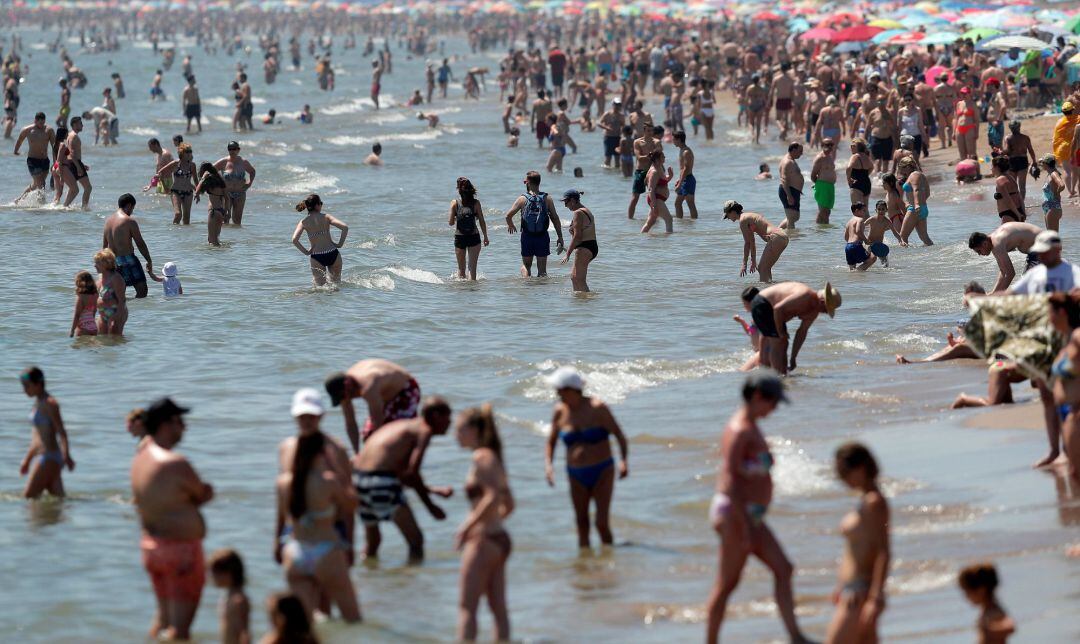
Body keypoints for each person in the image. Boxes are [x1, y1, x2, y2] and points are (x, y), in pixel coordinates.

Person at [706, 372, 811, 644]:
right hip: (734, 513)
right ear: (756, 397)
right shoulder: (740, 429)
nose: (775, 409)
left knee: (784, 569)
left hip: (747, 515)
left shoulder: (751, 426)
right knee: (727, 584)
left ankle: (796, 637)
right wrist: (743, 527)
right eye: (773, 403)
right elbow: (729, 481)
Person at [131, 398, 213, 641]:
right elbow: (201, 493)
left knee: (163, 619)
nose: (184, 427)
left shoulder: (140, 458)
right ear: (166, 424)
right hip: (180, 552)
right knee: (180, 631)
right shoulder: (175, 462)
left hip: (151, 546)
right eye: (180, 422)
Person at [276, 407, 361, 622]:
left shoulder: (284, 482)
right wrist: (338, 470)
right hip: (326, 550)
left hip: (295, 552)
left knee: (305, 626)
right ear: (321, 454)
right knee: (353, 620)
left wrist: (276, 544)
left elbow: (280, 518)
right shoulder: (328, 481)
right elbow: (352, 505)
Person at [351, 397, 453, 560]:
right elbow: (412, 472)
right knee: (416, 541)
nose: (450, 423)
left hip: (358, 482)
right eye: (448, 417)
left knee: (373, 543)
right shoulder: (423, 430)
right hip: (380, 482)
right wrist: (431, 507)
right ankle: (411, 581)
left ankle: (368, 581)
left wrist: (432, 490)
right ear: (435, 416)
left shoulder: (403, 426)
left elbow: (400, 473)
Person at [544, 367, 629, 548]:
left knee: (601, 523)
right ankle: (585, 571)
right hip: (575, 474)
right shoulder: (559, 411)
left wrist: (624, 462)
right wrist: (549, 466)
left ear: (571, 390)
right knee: (582, 524)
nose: (557, 393)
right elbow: (551, 442)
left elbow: (619, 435)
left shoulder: (598, 408)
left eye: (560, 389)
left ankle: (609, 560)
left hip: (602, 471)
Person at [455, 404, 514, 643]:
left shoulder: (481, 457)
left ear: (473, 430)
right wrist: (493, 522)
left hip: (484, 541)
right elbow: (509, 503)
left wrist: (467, 527)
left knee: (467, 607)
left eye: (459, 429)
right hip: (499, 539)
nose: (455, 435)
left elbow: (491, 497)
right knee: (498, 609)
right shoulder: (494, 458)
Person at [825, 443, 890, 644]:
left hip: (860, 593)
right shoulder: (864, 502)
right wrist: (840, 587)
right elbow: (854, 551)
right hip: (851, 591)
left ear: (861, 468)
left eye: (844, 471)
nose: (841, 478)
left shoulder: (874, 502)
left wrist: (875, 597)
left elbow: (883, 551)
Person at [324, 359, 422, 452]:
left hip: (405, 390)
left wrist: (375, 450)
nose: (345, 399)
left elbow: (378, 421)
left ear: (347, 385)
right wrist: (357, 453)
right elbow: (350, 422)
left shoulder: (368, 387)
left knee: (397, 435)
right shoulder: (343, 391)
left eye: (343, 396)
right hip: (383, 395)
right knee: (368, 437)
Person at [749, 281, 842, 375]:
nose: (825, 313)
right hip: (763, 303)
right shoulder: (804, 295)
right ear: (822, 302)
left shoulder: (814, 311)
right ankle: (779, 375)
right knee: (779, 341)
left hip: (772, 310)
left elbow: (801, 333)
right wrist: (781, 332)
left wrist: (793, 358)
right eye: (826, 310)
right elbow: (777, 308)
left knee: (781, 340)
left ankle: (768, 371)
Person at [19, 367, 75, 498]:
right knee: (58, 503)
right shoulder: (37, 403)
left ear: (38, 384)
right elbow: (37, 438)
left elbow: (62, 432)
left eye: (27, 386)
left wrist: (66, 455)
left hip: (48, 457)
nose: (24, 390)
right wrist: (27, 460)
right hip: (47, 457)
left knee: (28, 498)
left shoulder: (50, 403)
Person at [503, 170, 565, 277]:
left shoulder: (522, 199)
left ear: (528, 183)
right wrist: (560, 236)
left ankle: (527, 285)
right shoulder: (547, 198)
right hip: (542, 237)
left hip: (527, 236)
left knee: (526, 266)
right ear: (539, 182)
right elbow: (555, 218)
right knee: (542, 272)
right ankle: (541, 292)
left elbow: (508, 215)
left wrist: (511, 225)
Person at [1048, 292, 1080, 479]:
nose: (1047, 317)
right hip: (1066, 415)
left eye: (1049, 312)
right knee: (1074, 474)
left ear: (1061, 313)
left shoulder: (1077, 337)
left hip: (1076, 413)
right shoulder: (1063, 344)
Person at [967, 222, 1043, 293]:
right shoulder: (994, 239)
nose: (979, 254)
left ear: (985, 244)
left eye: (979, 251)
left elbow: (1010, 273)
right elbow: (1003, 272)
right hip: (1042, 245)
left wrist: (997, 296)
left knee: (1026, 285)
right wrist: (994, 293)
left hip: (1044, 247)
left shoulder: (997, 244)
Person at [102, 193, 152, 298]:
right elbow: (140, 243)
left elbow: (105, 247)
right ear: (129, 205)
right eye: (132, 208)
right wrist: (149, 260)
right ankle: (136, 313)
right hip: (128, 259)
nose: (132, 212)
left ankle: (122, 311)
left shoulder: (108, 222)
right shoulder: (129, 221)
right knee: (142, 290)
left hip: (113, 261)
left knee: (119, 294)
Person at [724, 200, 787, 283]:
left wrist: (744, 264)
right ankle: (771, 289)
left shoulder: (743, 220)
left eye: (727, 215)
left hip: (776, 237)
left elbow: (748, 243)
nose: (727, 218)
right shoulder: (749, 216)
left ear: (732, 211)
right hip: (782, 236)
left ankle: (765, 293)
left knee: (762, 268)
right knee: (765, 269)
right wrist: (753, 261)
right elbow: (753, 241)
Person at [292, 194, 348, 286]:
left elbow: (294, 239)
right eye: (321, 203)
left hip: (317, 257)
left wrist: (306, 252)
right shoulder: (327, 217)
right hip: (333, 253)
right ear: (317, 205)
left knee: (320, 289)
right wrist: (340, 244)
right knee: (336, 286)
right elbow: (345, 227)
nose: (321, 205)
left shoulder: (304, 222)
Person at [958, 564, 1016, 643]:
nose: (966, 596)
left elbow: (1010, 626)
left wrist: (988, 629)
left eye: (967, 592)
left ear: (981, 590)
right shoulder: (986, 609)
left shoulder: (993, 610)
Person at [448, 177, 489, 281]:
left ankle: (462, 292)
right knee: (472, 269)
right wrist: (485, 237)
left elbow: (451, 223)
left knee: (461, 269)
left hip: (460, 237)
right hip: (474, 237)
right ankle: (473, 291)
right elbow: (482, 221)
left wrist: (457, 217)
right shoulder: (476, 203)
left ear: (459, 190)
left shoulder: (454, 203)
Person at [208, 549, 251, 644]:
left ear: (227, 574)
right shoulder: (227, 596)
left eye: (214, 573)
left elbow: (244, 632)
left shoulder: (238, 600)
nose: (211, 577)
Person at [12, 111, 55, 202]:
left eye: (43, 123)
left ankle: (19, 199)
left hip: (45, 161)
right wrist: (16, 151)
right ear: (35, 120)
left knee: (36, 184)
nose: (41, 125)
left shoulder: (49, 130)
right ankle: (42, 203)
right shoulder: (27, 130)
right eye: (40, 123)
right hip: (33, 161)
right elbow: (20, 140)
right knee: (41, 183)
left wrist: (55, 162)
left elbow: (54, 147)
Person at [559, 189, 597, 292]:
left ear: (572, 200)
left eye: (566, 202)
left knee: (578, 279)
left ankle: (585, 302)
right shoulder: (585, 210)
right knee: (575, 278)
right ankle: (580, 302)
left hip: (584, 247)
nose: (565, 206)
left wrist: (568, 254)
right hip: (590, 246)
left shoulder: (578, 213)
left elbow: (577, 237)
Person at [214, 141, 256, 225]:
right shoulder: (224, 161)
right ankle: (226, 237)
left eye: (234, 149)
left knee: (237, 221)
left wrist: (249, 183)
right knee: (225, 220)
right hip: (227, 194)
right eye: (230, 149)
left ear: (238, 150)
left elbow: (252, 171)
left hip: (240, 193)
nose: (232, 151)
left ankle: (236, 238)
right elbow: (210, 170)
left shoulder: (243, 162)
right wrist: (217, 184)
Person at [157, 142, 196, 225]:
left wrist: (199, 192)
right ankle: (175, 234)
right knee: (178, 214)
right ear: (182, 153)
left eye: (190, 151)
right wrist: (165, 187)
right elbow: (160, 172)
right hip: (175, 192)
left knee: (186, 219)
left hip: (188, 193)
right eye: (187, 152)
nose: (189, 154)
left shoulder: (192, 165)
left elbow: (196, 181)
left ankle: (185, 237)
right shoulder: (175, 163)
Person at [897, 156, 933, 246]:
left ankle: (905, 258)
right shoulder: (920, 175)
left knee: (902, 237)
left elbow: (916, 189)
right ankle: (935, 254)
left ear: (907, 167)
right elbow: (927, 193)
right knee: (924, 237)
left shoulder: (913, 175)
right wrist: (921, 203)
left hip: (914, 209)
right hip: (923, 209)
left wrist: (916, 204)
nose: (901, 172)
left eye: (901, 168)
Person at [93, 249, 127, 336]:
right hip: (102, 315)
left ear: (106, 264)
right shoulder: (99, 278)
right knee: (102, 342)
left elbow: (122, 301)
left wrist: (116, 319)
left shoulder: (116, 278)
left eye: (97, 263)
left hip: (116, 314)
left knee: (115, 341)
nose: (94, 265)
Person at [194, 162, 229, 246]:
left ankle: (214, 258)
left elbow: (197, 191)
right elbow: (227, 198)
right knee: (216, 239)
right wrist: (227, 212)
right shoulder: (220, 181)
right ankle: (222, 257)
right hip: (221, 212)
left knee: (211, 241)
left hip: (213, 211)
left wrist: (203, 178)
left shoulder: (208, 180)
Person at [642, 149, 674, 233]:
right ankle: (669, 241)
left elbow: (662, 182)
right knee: (669, 219)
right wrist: (655, 206)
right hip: (655, 199)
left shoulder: (659, 168)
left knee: (650, 222)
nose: (664, 158)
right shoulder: (654, 172)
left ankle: (641, 237)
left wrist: (670, 176)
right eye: (663, 157)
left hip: (657, 199)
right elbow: (651, 189)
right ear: (657, 159)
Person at [1004, 120, 1036, 200]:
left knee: (1013, 185)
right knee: (1022, 185)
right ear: (1019, 127)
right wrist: (1034, 161)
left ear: (1010, 128)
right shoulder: (1025, 138)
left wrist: (1000, 152)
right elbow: (1031, 150)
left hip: (1012, 161)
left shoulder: (1008, 138)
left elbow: (1007, 151)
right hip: (1022, 160)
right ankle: (1022, 203)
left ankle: (1015, 203)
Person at [810, 138, 837, 224]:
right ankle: (819, 230)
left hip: (830, 186)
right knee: (823, 211)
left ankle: (824, 231)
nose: (829, 147)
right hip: (822, 185)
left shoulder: (830, 157)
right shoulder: (820, 158)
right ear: (822, 146)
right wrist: (818, 185)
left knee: (827, 211)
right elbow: (813, 174)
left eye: (831, 145)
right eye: (827, 145)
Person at [992, 156, 1025, 223]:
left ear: (997, 167)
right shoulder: (1011, 178)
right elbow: (1020, 198)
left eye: (992, 166)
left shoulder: (1000, 180)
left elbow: (1008, 200)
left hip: (1008, 214)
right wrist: (1023, 212)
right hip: (1018, 211)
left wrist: (1018, 215)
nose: (991, 169)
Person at [778, 141, 804, 229]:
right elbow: (784, 179)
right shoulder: (787, 162)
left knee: (795, 216)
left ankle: (777, 231)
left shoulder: (791, 160)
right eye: (800, 151)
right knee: (792, 218)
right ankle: (791, 238)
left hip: (793, 190)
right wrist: (789, 195)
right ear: (793, 150)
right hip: (788, 190)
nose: (801, 154)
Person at [672, 131, 697, 219]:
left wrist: (680, 183)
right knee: (677, 204)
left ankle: (694, 224)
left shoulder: (686, 152)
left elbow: (686, 169)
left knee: (690, 204)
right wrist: (679, 180)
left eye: (674, 139)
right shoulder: (681, 150)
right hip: (684, 180)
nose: (672, 141)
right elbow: (683, 169)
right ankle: (680, 223)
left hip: (688, 179)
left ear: (679, 140)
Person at [861, 200, 892, 270]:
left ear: (886, 210)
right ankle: (861, 270)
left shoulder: (887, 221)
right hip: (869, 243)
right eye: (879, 209)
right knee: (869, 256)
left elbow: (895, 232)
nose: (881, 211)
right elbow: (862, 226)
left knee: (886, 266)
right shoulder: (872, 219)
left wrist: (901, 240)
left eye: (883, 209)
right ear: (876, 210)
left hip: (879, 245)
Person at [1038, 154, 1064, 232]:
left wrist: (1056, 194)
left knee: (1053, 237)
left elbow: (1062, 185)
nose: (1041, 165)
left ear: (1046, 164)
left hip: (1053, 208)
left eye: (1042, 163)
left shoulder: (1053, 174)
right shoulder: (1050, 173)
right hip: (1049, 208)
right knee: (1051, 238)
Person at [70, 270, 98, 337]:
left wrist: (72, 330)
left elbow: (77, 315)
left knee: (79, 345)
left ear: (79, 282)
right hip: (93, 327)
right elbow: (94, 311)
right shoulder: (95, 295)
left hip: (83, 327)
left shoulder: (81, 297)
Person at [846, 138, 873, 208]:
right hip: (866, 183)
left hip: (857, 184)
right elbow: (872, 167)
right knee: (865, 211)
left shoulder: (855, 156)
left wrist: (849, 180)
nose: (851, 147)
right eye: (851, 146)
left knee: (857, 210)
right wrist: (865, 175)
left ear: (858, 147)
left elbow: (849, 168)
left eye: (853, 146)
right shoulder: (866, 156)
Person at [843, 203, 871, 270]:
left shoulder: (849, 222)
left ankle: (854, 277)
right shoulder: (860, 219)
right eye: (863, 210)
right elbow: (858, 231)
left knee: (852, 268)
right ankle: (857, 272)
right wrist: (866, 240)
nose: (865, 213)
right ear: (856, 211)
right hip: (856, 245)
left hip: (848, 246)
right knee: (872, 259)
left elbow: (845, 237)